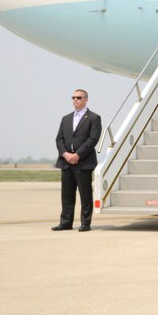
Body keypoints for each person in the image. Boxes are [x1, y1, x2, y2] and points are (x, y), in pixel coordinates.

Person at [53, 89, 102, 232]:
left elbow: (93, 139)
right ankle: (65, 222)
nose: (75, 100)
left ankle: (85, 223)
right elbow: (59, 139)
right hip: (66, 162)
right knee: (67, 195)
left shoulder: (93, 118)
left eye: (79, 97)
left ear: (86, 99)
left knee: (85, 194)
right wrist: (65, 154)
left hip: (83, 163)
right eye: (73, 97)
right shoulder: (66, 118)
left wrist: (78, 155)